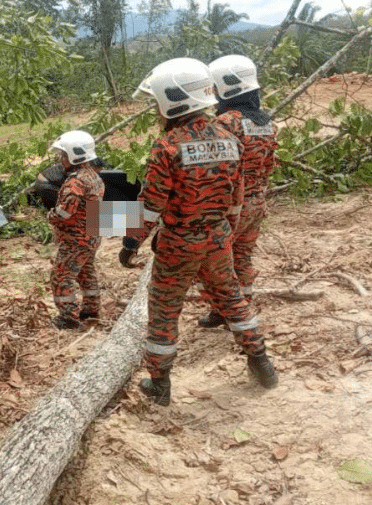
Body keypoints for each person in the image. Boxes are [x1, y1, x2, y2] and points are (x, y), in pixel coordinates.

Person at [119, 58, 278, 406]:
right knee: (232, 297)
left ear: (171, 101)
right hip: (219, 237)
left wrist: (131, 241)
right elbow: (236, 199)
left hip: (179, 243)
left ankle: (160, 383)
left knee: (164, 308)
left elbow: (150, 207)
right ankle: (261, 360)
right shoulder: (228, 137)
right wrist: (222, 233)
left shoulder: (167, 146)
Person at [197, 55, 279, 329]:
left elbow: (218, 171)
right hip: (256, 203)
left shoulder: (224, 124)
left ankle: (224, 311)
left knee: (214, 263)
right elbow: (269, 165)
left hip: (230, 206)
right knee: (242, 256)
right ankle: (242, 307)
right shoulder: (267, 122)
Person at [47, 130, 106, 330]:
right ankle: (91, 310)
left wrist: (50, 216)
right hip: (92, 234)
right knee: (86, 273)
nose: (60, 159)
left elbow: (65, 213)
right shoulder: (93, 176)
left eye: (63, 155)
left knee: (61, 276)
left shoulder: (76, 181)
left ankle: (68, 317)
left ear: (74, 155)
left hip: (76, 239)